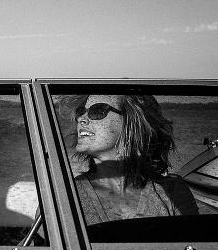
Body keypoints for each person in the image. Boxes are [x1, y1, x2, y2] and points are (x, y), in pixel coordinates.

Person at [71, 94, 198, 223]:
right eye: (81, 112)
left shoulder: (171, 190)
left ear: (130, 121)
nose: (82, 118)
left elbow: (193, 242)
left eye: (97, 111)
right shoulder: (69, 194)